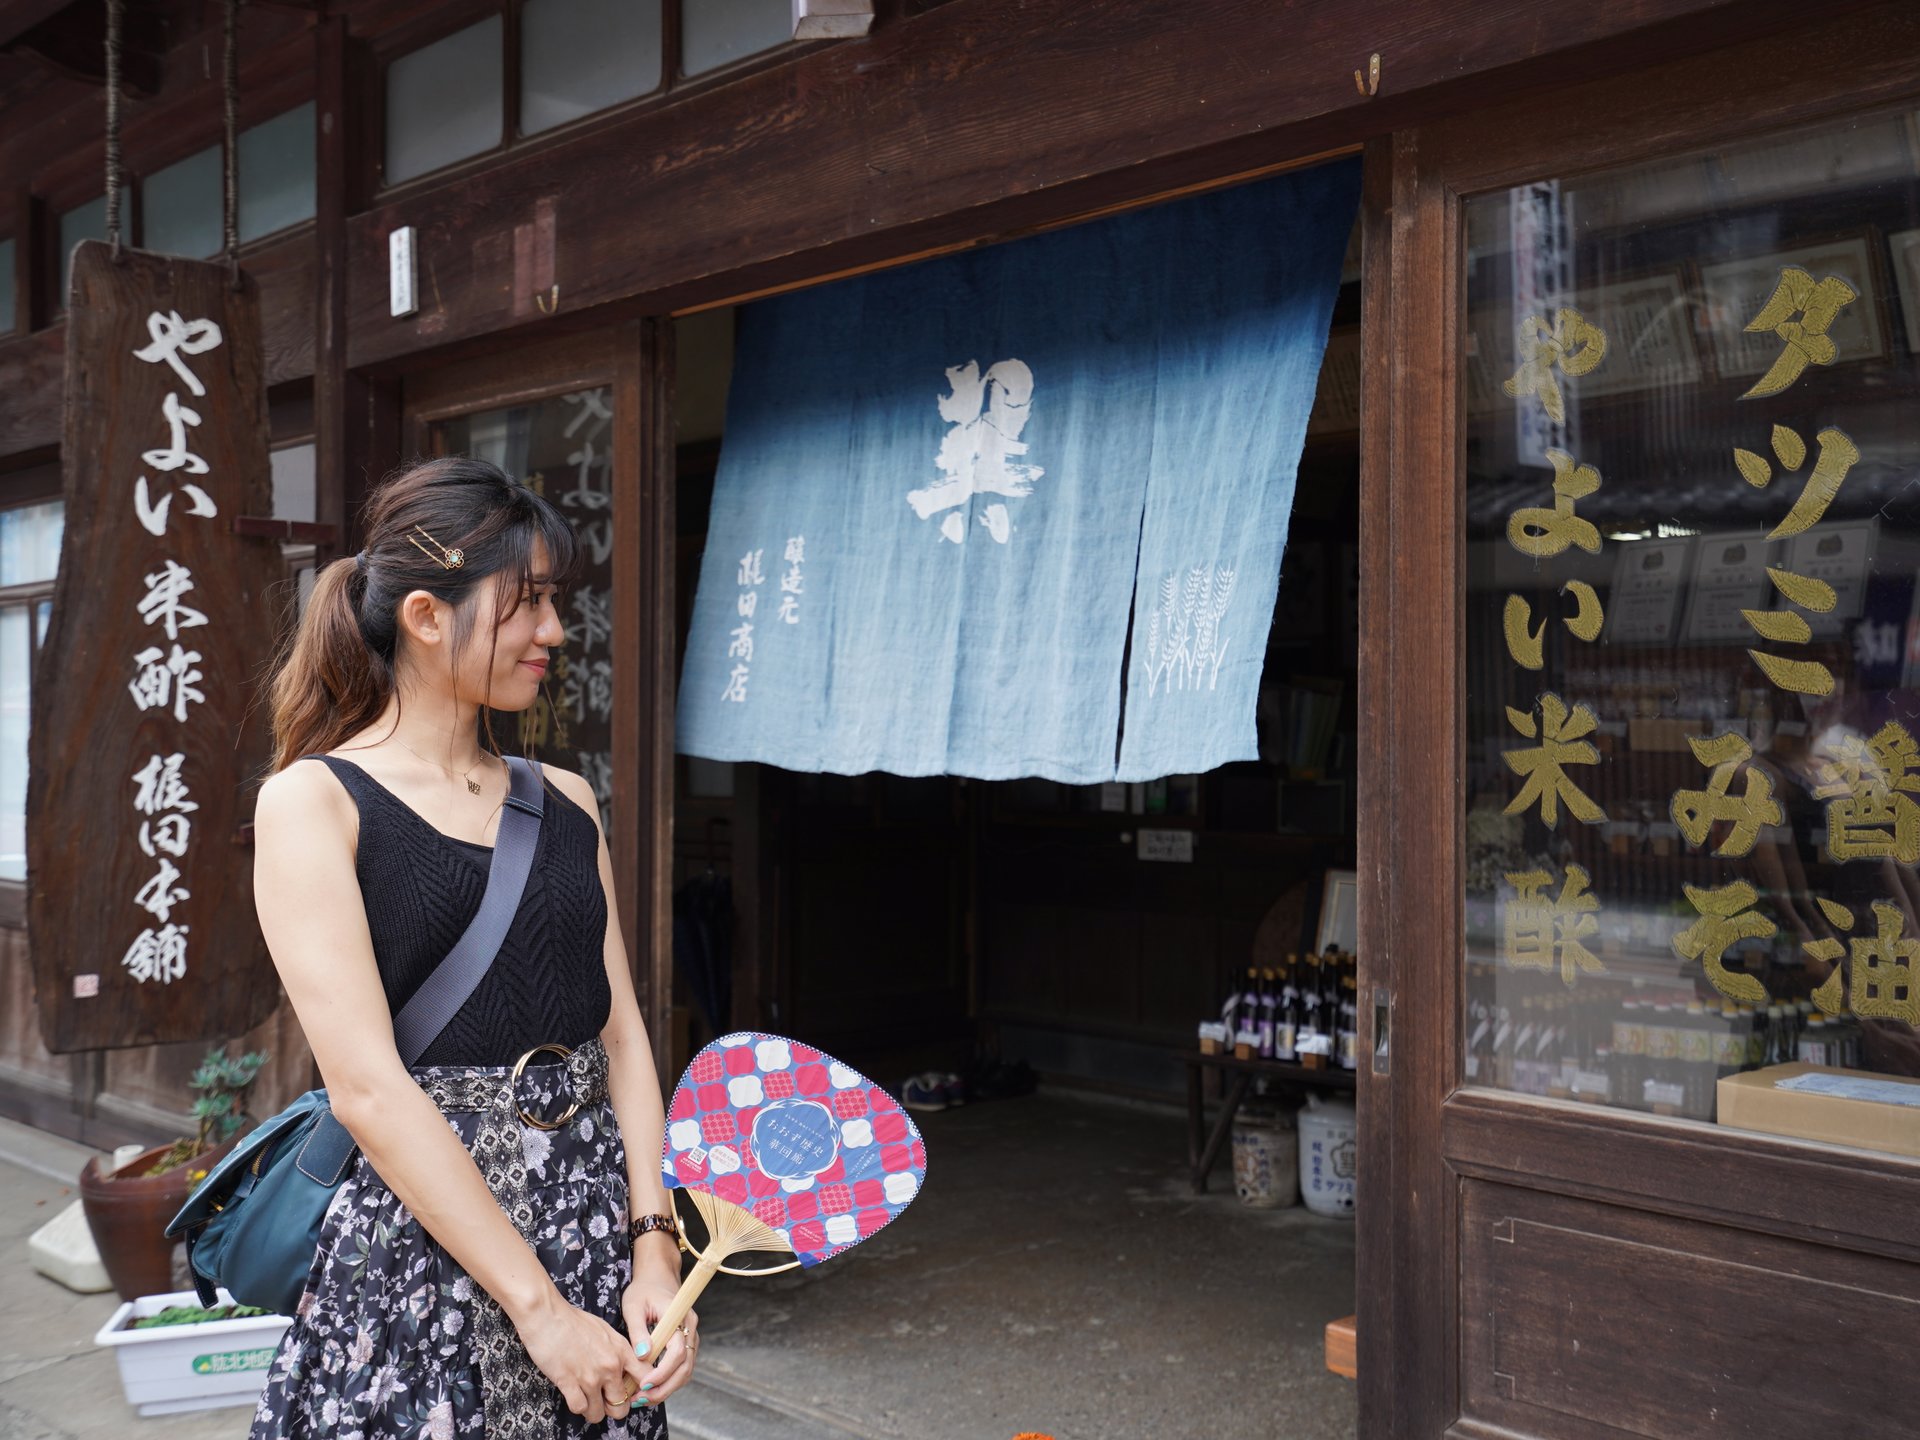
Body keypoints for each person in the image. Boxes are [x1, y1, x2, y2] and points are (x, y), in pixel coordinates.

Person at [247, 457, 695, 1439]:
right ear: (425, 616)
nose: (554, 632)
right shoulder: (314, 803)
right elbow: (366, 1088)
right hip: (422, 1252)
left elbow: (622, 1039)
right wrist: (539, 1311)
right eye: (526, 603)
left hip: (591, 1236)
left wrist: (654, 1246)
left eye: (553, 604)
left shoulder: (565, 801)